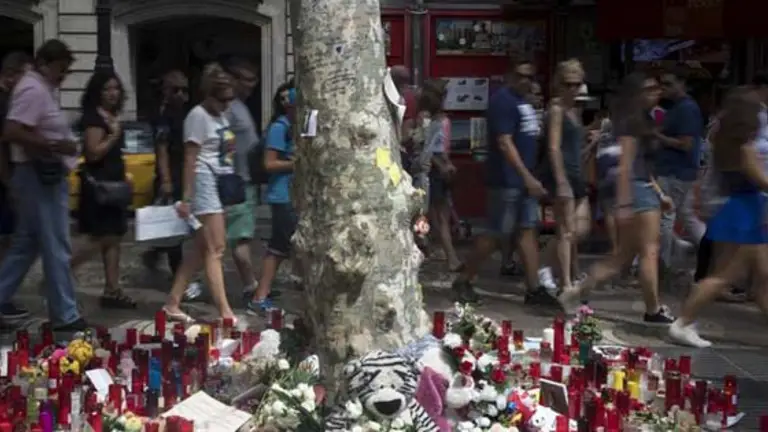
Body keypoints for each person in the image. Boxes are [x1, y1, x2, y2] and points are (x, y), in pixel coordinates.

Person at [559, 72, 676, 325]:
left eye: (657, 88)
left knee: (622, 256)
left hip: (640, 190)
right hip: (638, 193)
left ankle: (576, 292)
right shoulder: (632, 122)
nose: (656, 92)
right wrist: (624, 204)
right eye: (650, 88)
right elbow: (626, 166)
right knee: (648, 251)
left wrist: (659, 194)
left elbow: (640, 165)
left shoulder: (637, 119)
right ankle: (653, 309)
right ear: (637, 94)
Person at [452, 57, 555, 306]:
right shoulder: (503, 102)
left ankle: (534, 289)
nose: (526, 81)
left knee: (527, 231)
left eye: (530, 76)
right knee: (496, 234)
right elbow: (504, 142)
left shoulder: (524, 103)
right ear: (509, 76)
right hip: (507, 181)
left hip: (523, 182)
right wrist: (527, 177)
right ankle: (464, 279)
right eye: (520, 75)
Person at [669, 87, 768, 348]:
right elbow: (761, 180)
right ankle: (683, 322)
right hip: (741, 213)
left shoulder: (724, 140)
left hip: (742, 211)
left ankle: (685, 322)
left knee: (762, 278)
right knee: (724, 276)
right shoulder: (744, 147)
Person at [0, 40, 85, 330]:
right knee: (55, 244)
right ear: (46, 64)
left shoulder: (38, 88)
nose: (64, 76)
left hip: (35, 175)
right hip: (40, 176)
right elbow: (12, 130)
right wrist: (55, 145)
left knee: (27, 243)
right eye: (62, 69)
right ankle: (65, 314)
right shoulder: (33, 89)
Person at [162, 63, 238, 323]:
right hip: (204, 183)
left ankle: (172, 302)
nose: (227, 104)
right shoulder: (197, 116)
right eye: (223, 99)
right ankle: (225, 311)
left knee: (199, 249)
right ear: (209, 95)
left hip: (219, 182)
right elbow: (190, 157)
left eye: (230, 98)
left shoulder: (221, 116)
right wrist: (186, 197)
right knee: (216, 248)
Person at [69, 71, 135, 308]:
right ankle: (64, 269)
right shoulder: (94, 119)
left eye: (116, 88)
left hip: (114, 184)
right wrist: (114, 135)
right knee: (99, 237)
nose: (112, 93)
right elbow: (93, 152)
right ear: (97, 92)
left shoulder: (112, 116)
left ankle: (112, 290)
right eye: (107, 89)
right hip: (99, 186)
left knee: (114, 237)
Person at [142, 70, 203, 299]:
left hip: (184, 175)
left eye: (184, 90)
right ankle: (180, 279)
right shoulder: (164, 116)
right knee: (174, 230)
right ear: (165, 91)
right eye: (175, 89)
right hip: (172, 178)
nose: (181, 95)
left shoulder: (186, 113)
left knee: (178, 229)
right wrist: (166, 180)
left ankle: (156, 253)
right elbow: (162, 149)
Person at [537, 60, 592, 293]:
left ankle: (560, 271)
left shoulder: (573, 111)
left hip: (575, 173)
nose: (572, 89)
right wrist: (561, 181)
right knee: (566, 231)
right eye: (567, 84)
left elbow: (574, 146)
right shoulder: (557, 109)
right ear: (558, 84)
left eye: (576, 84)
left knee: (579, 228)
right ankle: (564, 281)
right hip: (563, 176)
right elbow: (553, 147)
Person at [248, 84, 296, 314]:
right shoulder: (280, 128)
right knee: (278, 247)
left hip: (294, 195)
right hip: (282, 195)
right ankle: (260, 296)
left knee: (285, 246)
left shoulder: (296, 128)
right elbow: (269, 163)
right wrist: (297, 164)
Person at [655, 69, 703, 276]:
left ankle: (663, 265)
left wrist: (657, 136)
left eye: (668, 83)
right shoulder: (677, 107)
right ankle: (711, 252)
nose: (663, 88)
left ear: (682, 83)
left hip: (676, 171)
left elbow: (685, 144)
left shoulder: (686, 109)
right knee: (686, 216)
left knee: (666, 217)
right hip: (677, 170)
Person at [223, 58, 261, 299]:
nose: (252, 85)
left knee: (238, 237)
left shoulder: (240, 107)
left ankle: (251, 285)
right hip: (238, 182)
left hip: (245, 179)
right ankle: (251, 287)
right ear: (233, 80)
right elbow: (222, 143)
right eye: (247, 79)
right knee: (240, 236)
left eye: (254, 80)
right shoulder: (229, 109)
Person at [501, 80, 544, 277]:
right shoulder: (516, 112)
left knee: (528, 225)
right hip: (516, 177)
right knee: (510, 226)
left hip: (533, 174)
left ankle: (526, 270)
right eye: (534, 93)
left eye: (539, 94)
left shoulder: (539, 116)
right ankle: (509, 261)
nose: (538, 97)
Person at [419, 79, 460, 271]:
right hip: (437, 172)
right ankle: (452, 258)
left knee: (434, 215)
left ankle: (433, 249)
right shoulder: (439, 121)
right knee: (441, 217)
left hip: (432, 171)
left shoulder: (429, 121)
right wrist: (446, 165)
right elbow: (436, 150)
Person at [0, 52, 32, 259]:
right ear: (11, 75)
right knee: (7, 237)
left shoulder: (10, 100)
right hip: (4, 178)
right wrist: (8, 181)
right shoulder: (3, 102)